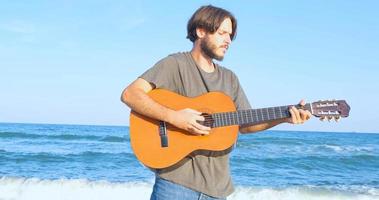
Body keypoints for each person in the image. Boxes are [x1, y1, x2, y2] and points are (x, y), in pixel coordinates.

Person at [121, 5, 311, 200]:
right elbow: (130, 94)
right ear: (201, 31)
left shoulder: (230, 79)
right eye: (222, 33)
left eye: (230, 35)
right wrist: (174, 117)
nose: (228, 40)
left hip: (218, 191)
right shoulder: (175, 64)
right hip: (175, 186)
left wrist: (285, 117)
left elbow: (245, 125)